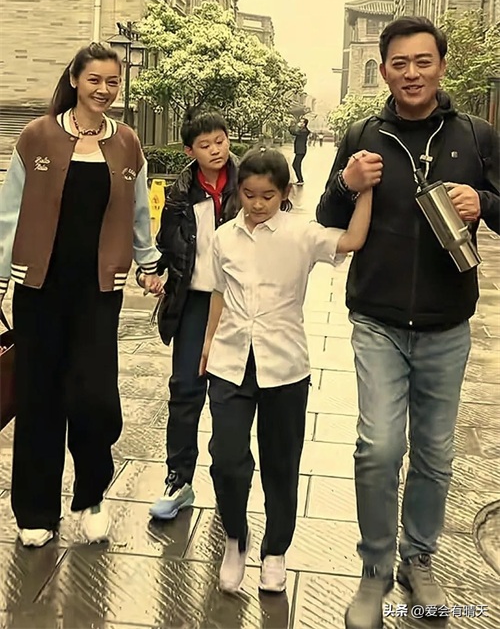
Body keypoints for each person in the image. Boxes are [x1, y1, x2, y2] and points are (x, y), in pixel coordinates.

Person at [316, 16, 500, 629]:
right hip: (378, 318)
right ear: (384, 69)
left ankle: (417, 558)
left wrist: (485, 203)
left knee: (435, 451)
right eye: (400, 63)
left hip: (447, 324)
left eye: (423, 61)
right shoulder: (363, 135)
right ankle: (373, 569)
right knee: (379, 447)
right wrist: (347, 183)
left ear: (441, 66)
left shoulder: (476, 136)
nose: (412, 73)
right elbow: (327, 219)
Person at [0, 42, 163, 549]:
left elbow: (138, 211)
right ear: (74, 79)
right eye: (95, 80)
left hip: (98, 289)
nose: (104, 90)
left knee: (95, 398)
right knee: (40, 397)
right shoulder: (37, 136)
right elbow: (9, 212)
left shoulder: (127, 142)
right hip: (39, 288)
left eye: (113, 81)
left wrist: (148, 263)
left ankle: (91, 497)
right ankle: (36, 511)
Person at [199, 147, 373, 594]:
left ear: (285, 193)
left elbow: (353, 240)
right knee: (227, 459)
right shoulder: (223, 237)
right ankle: (235, 538)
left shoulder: (302, 234)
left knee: (281, 463)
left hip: (285, 366)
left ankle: (275, 550)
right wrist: (207, 342)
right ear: (238, 191)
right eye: (249, 194)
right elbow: (217, 291)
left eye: (268, 196)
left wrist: (366, 190)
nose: (257, 204)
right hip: (230, 362)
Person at [144, 107, 239, 521]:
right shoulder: (181, 194)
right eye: (205, 145)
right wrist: (153, 274)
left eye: (220, 141)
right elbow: (167, 246)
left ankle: (228, 482)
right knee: (185, 388)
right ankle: (178, 479)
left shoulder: (248, 183)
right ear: (190, 151)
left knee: (229, 396)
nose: (216, 150)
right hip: (194, 303)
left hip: (238, 305)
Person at [291, 118, 310, 184]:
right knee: (296, 164)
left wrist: (296, 126)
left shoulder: (304, 131)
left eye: (302, 122)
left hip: (301, 150)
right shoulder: (302, 130)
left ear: (305, 124)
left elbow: (294, 132)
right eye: (300, 122)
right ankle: (300, 179)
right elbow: (293, 132)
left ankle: (300, 180)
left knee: (296, 165)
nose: (300, 123)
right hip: (300, 150)